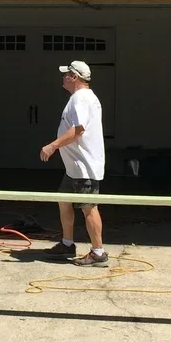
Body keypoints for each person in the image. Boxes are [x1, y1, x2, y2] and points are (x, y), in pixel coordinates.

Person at [40, 60, 107, 267]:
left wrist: (53, 146)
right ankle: (67, 243)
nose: (63, 77)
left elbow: (78, 130)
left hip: (84, 167)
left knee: (88, 207)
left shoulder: (81, 99)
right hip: (74, 168)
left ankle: (98, 253)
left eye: (66, 74)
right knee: (64, 201)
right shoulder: (82, 98)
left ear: (74, 77)